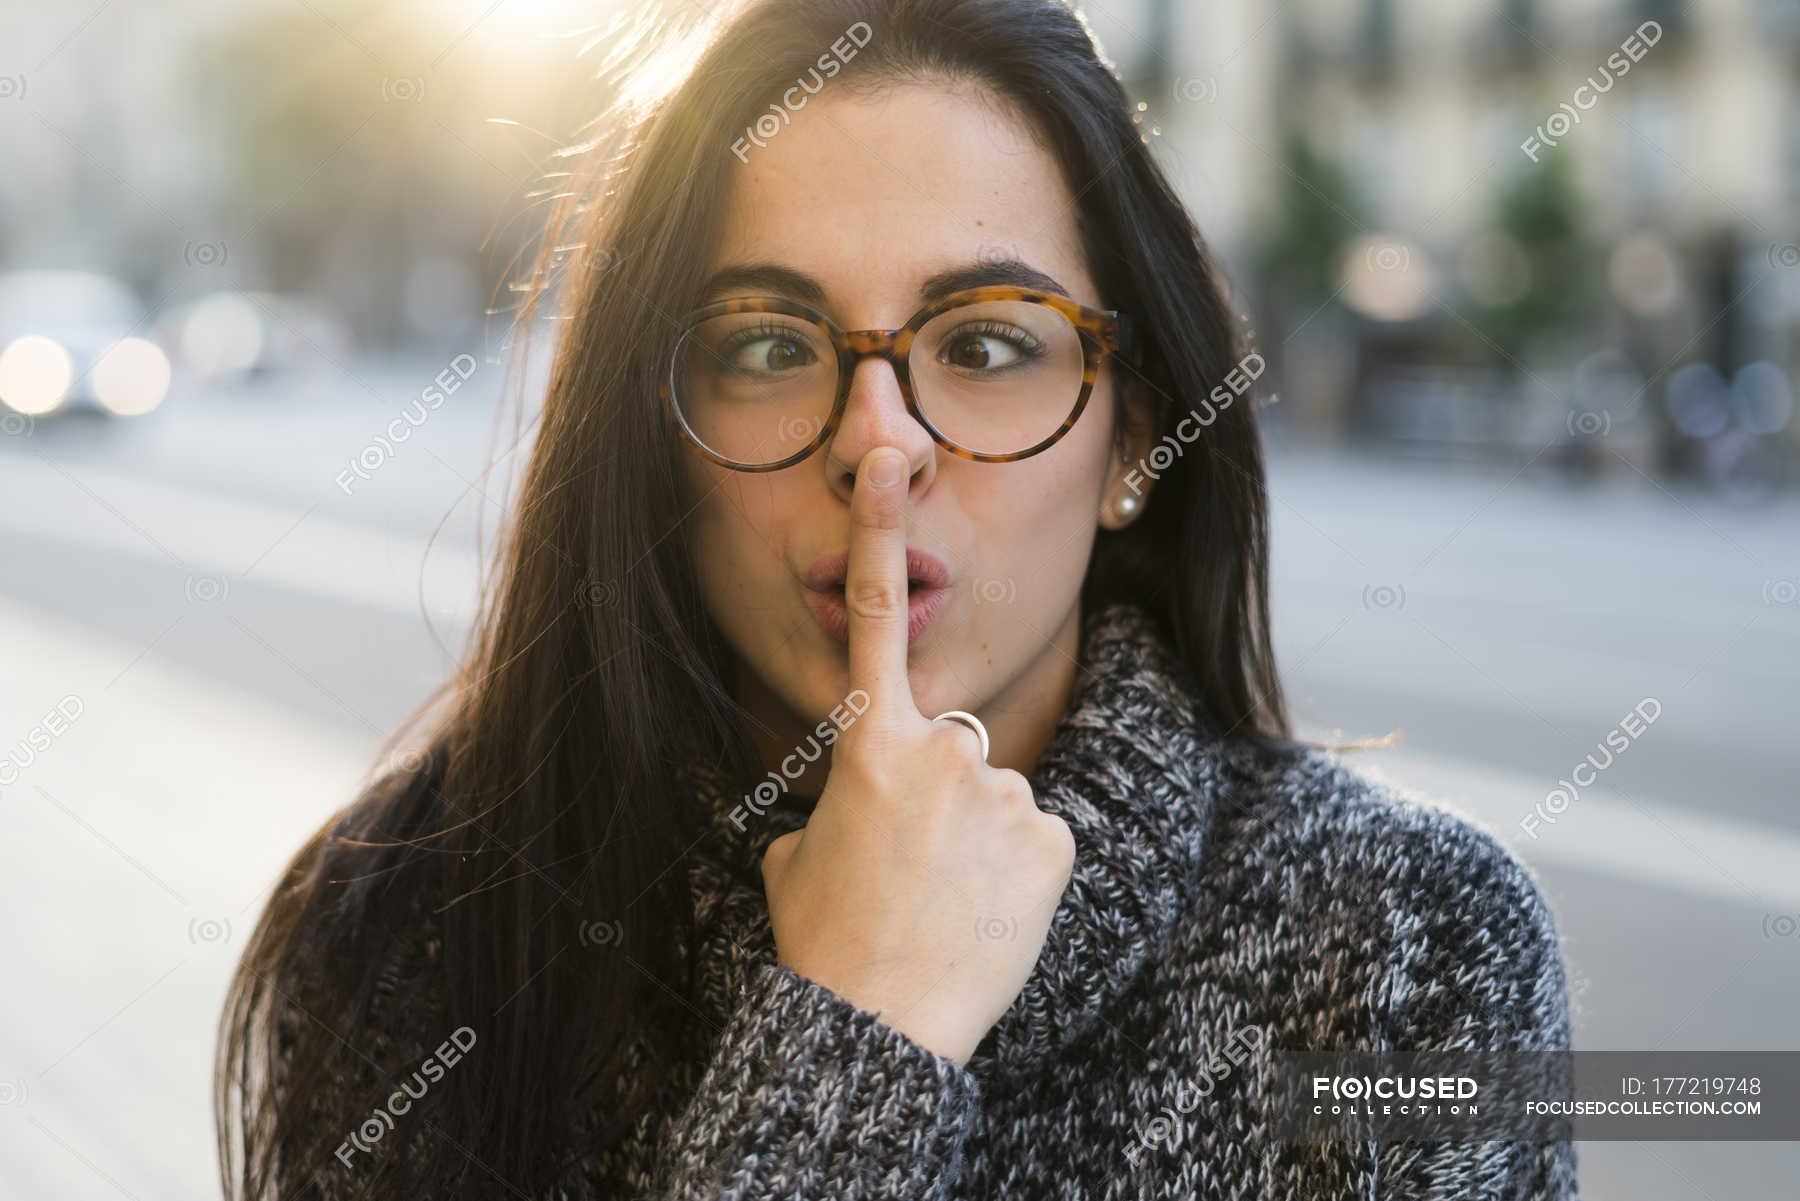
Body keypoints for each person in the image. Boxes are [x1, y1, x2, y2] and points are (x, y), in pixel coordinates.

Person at [217, 1, 1580, 1197]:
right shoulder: (410, 927)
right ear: (652, 436)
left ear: (1132, 444)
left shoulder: (1415, 941)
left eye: (985, 344)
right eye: (765, 344)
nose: (879, 445)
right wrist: (860, 1026)